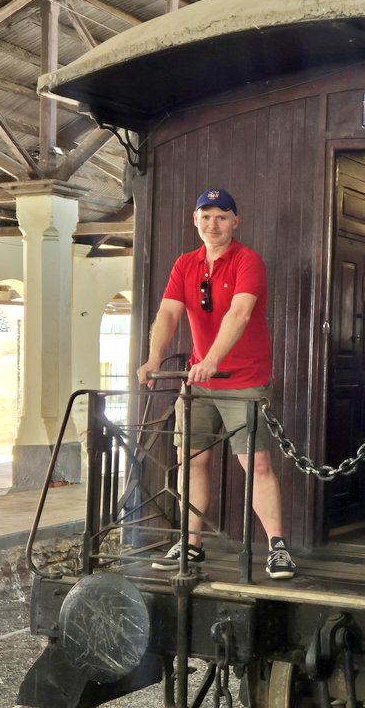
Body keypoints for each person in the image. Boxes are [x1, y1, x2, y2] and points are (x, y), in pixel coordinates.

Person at [136, 187, 295, 580]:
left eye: (222, 216)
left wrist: (212, 359)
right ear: (195, 221)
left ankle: (277, 548)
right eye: (206, 217)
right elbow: (169, 314)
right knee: (190, 461)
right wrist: (154, 357)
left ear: (235, 222)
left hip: (244, 379)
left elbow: (240, 314)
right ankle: (191, 543)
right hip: (199, 381)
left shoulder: (248, 261)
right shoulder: (185, 264)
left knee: (256, 463)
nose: (213, 224)